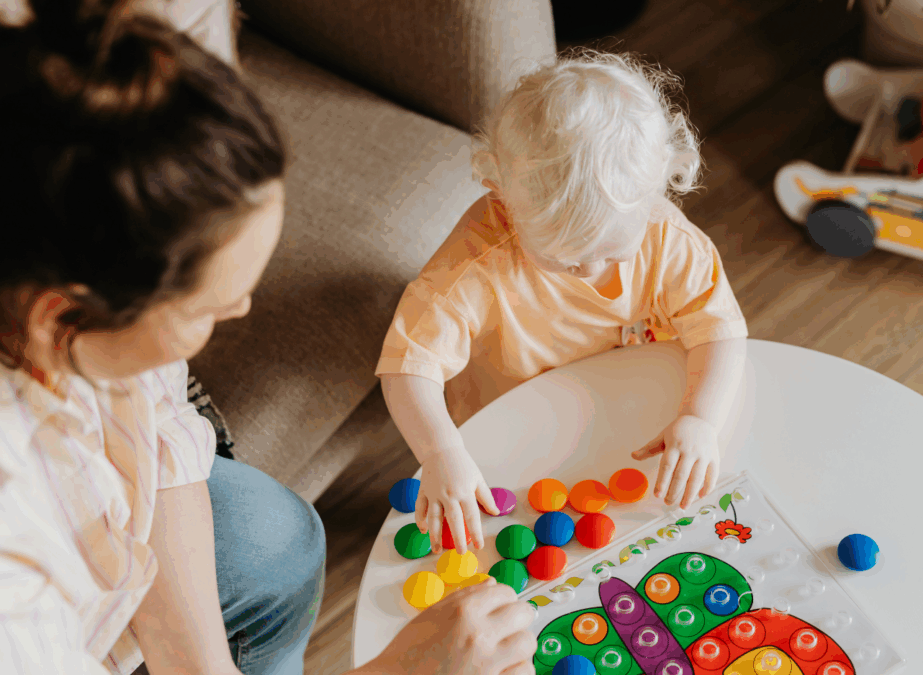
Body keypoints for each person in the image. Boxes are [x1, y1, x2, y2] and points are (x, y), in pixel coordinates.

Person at [0, 1, 536, 674]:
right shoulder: (15, 575)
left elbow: (156, 425)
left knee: (277, 542)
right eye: (208, 307)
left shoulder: (64, 259)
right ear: (61, 320)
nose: (243, 308)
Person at [377, 50, 750, 556]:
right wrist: (442, 453)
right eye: (566, 261)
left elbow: (720, 330)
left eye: (615, 252)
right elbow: (406, 368)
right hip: (515, 423)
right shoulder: (476, 266)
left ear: (658, 191)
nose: (594, 270)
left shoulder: (667, 239)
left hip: (635, 411)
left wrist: (701, 417)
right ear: (502, 200)